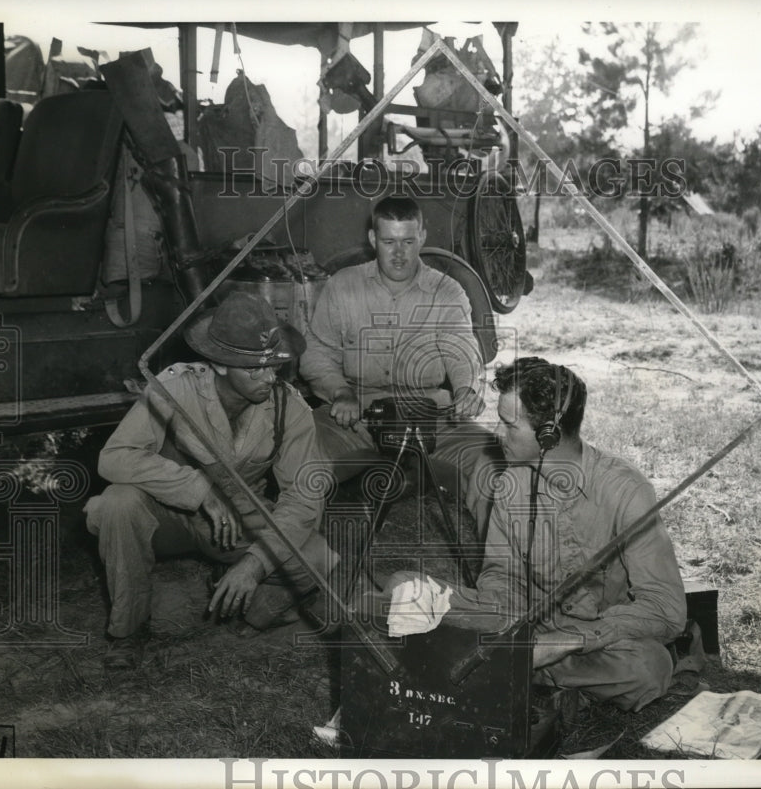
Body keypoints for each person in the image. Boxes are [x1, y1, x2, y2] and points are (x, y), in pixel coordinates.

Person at [85, 291, 338, 669]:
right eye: (254, 368)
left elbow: (303, 499)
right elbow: (114, 458)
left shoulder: (289, 407)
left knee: (318, 556)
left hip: (238, 518)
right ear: (220, 364)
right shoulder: (175, 388)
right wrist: (198, 489)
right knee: (117, 503)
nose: (269, 377)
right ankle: (129, 629)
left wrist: (254, 562)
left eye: (274, 366)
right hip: (165, 513)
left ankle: (249, 608)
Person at [419, 357, 688, 711]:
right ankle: (524, 668)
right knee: (404, 591)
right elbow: (502, 574)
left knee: (648, 669)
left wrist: (568, 641)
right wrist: (513, 628)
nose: (499, 436)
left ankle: (504, 667)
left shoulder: (626, 491)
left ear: (550, 434)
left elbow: (666, 610)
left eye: (510, 426)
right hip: (525, 623)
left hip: (595, 638)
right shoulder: (510, 483)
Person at [299, 195, 502, 537]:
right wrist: (340, 392)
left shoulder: (447, 291)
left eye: (408, 241)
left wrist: (466, 388)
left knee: (495, 462)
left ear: (422, 237)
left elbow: (461, 350)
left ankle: (497, 568)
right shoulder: (343, 285)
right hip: (356, 416)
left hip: (430, 420)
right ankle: (307, 559)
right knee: (301, 458)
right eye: (389, 241)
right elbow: (317, 352)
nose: (399, 253)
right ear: (372, 239)